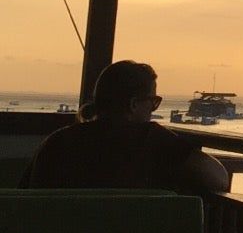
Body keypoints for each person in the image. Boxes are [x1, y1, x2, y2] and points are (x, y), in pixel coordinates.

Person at [19, 60, 231, 195]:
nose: (153, 109)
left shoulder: (58, 141)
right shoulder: (151, 139)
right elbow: (218, 178)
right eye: (153, 101)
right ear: (133, 104)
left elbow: (27, 195)